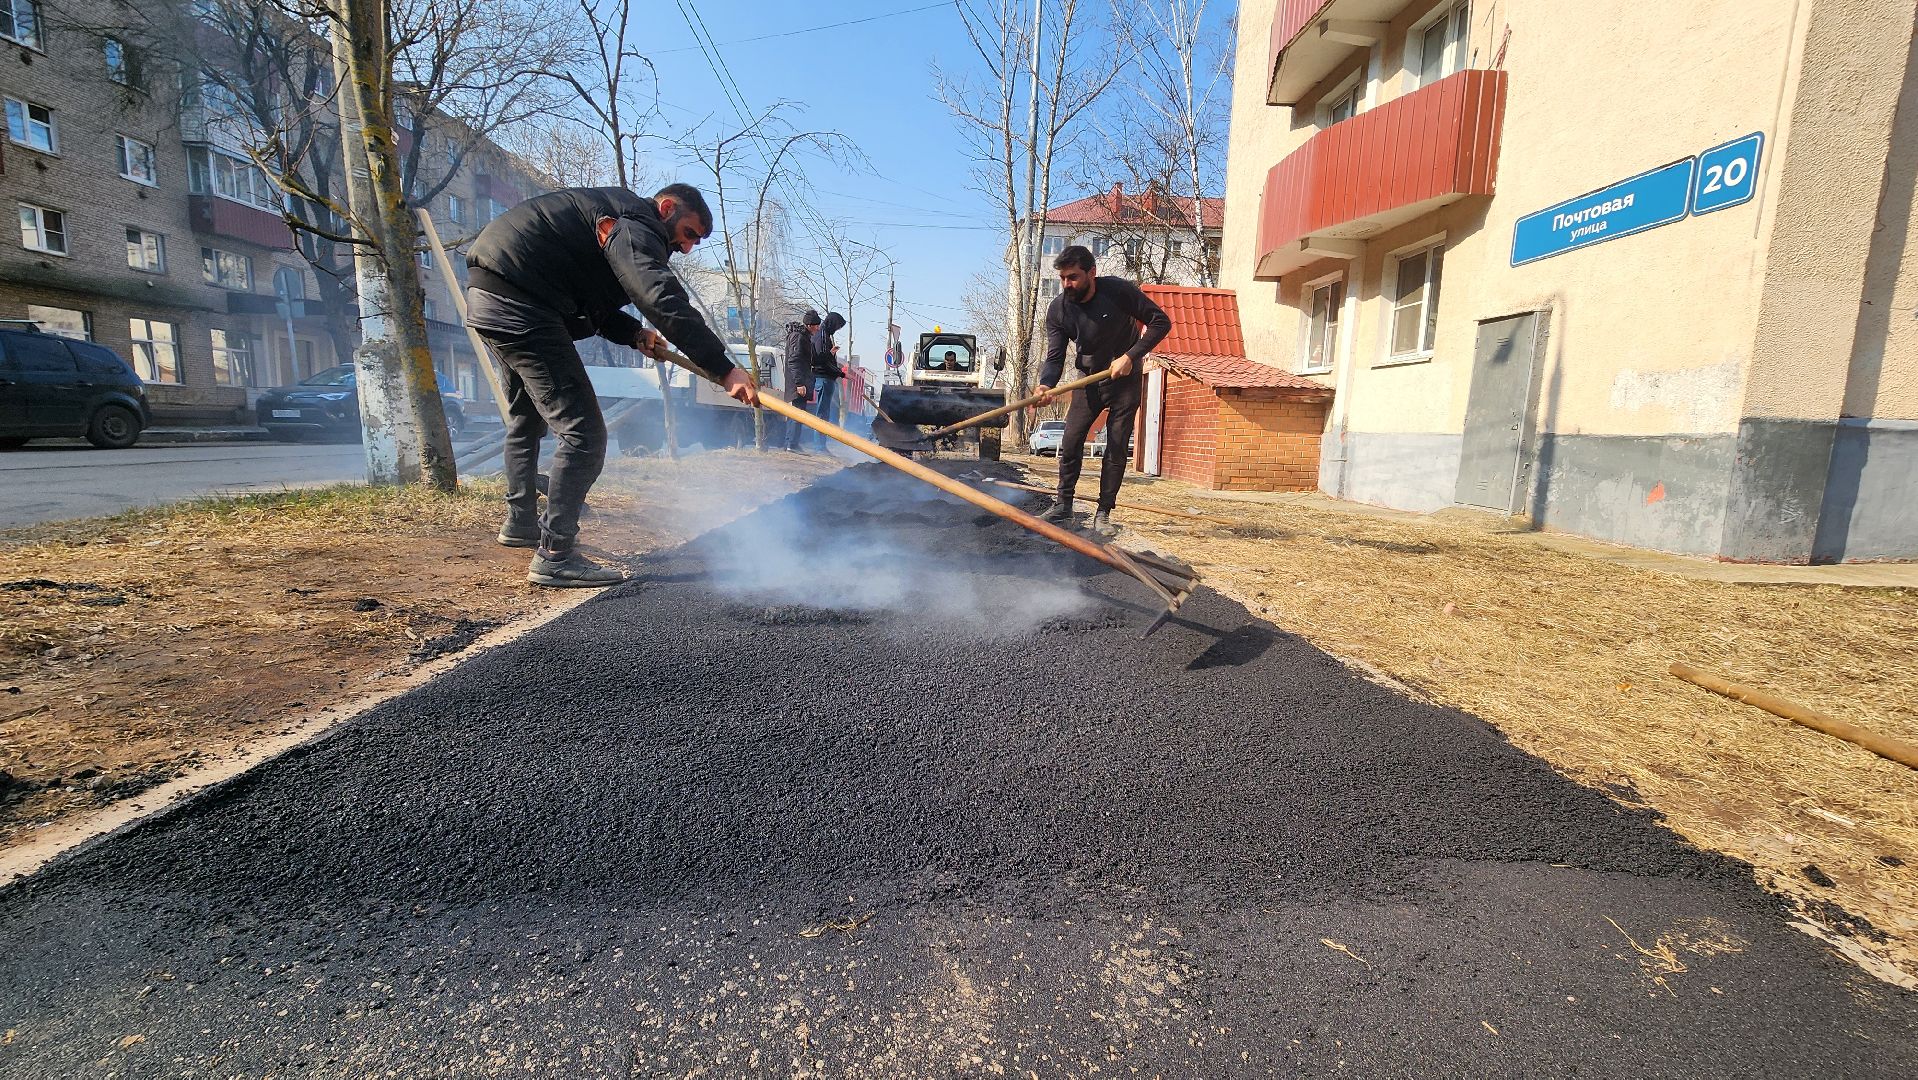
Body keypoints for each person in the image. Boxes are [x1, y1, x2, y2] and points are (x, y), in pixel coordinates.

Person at [464, 183, 758, 588]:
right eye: (688, 233)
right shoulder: (635, 221)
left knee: (526, 422)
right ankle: (555, 555)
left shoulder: (609, 221)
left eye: (696, 242)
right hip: (525, 305)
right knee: (584, 435)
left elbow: (588, 301)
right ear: (666, 208)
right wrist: (724, 369)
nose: (688, 248)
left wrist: (634, 333)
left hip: (494, 297)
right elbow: (659, 295)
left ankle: (521, 523)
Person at [1034, 244, 1172, 537]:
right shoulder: (1059, 309)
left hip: (1125, 379)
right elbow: (1055, 357)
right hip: (1087, 380)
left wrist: (1131, 356)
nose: (1067, 284)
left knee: (1117, 445)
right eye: (1063, 278)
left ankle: (1104, 512)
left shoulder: (1118, 292)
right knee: (1071, 440)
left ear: (1092, 273)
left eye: (1073, 277)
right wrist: (1046, 385)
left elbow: (1161, 322)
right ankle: (1063, 506)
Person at [781, 310, 821, 451]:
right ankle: (790, 445)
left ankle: (793, 444)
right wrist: (799, 383)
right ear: (809, 325)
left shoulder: (803, 336)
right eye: (816, 325)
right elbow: (794, 361)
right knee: (796, 413)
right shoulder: (798, 337)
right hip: (797, 383)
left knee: (799, 413)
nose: (818, 328)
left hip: (801, 382)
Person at [806, 311, 847, 448]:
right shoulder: (822, 335)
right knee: (822, 414)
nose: (837, 329)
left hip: (826, 378)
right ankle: (819, 446)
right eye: (838, 327)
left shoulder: (824, 335)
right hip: (823, 378)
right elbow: (822, 360)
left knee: (824, 413)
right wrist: (841, 373)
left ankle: (821, 445)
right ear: (833, 324)